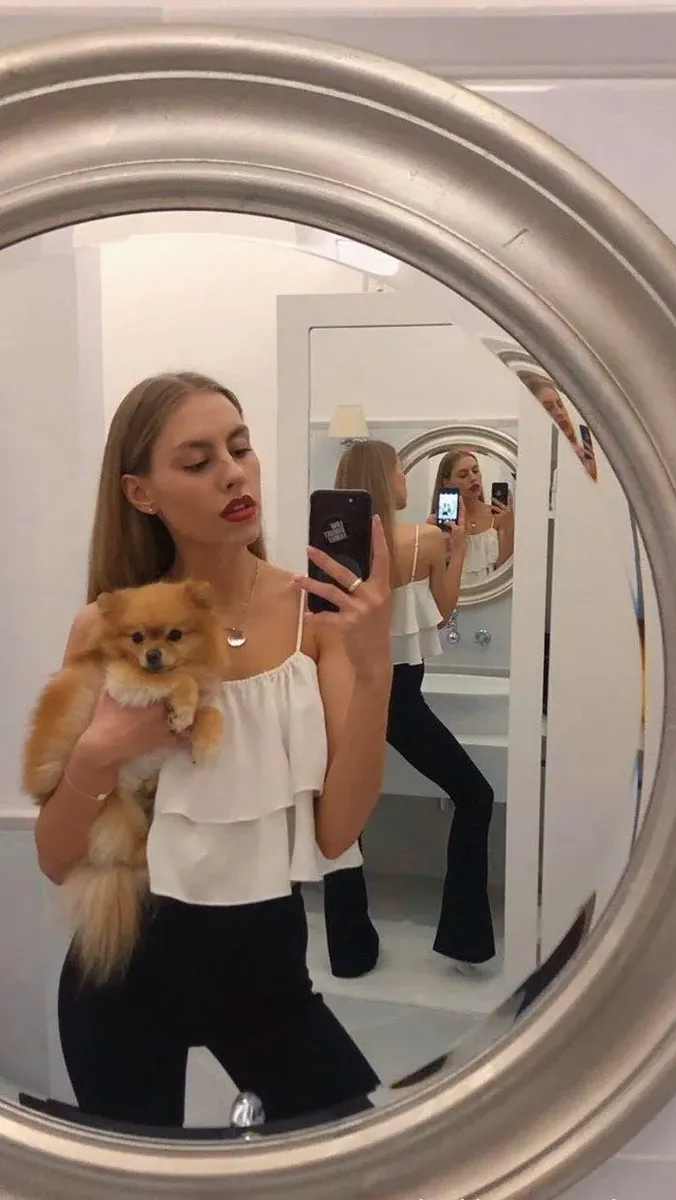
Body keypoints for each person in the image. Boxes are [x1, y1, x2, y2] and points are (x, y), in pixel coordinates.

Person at [31, 371, 394, 1129]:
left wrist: (373, 669)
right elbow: (58, 858)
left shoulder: (315, 617)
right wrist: (100, 754)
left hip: (267, 968)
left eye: (240, 447)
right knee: (139, 1179)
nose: (233, 472)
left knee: (354, 1150)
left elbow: (336, 833)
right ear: (141, 493)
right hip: (123, 964)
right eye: (197, 462)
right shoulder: (108, 627)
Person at [322, 440, 496, 978]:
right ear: (384, 477)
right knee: (475, 795)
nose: (404, 479)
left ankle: (350, 951)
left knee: (345, 817)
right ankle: (465, 938)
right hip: (397, 694)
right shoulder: (422, 539)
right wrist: (455, 547)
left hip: (346, 690)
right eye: (400, 470)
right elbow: (441, 610)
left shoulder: (338, 548)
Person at [429, 448, 514, 584]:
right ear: (446, 482)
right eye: (463, 475)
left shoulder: (497, 517)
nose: (473, 478)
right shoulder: (436, 524)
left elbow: (504, 574)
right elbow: (436, 579)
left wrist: (509, 527)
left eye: (475, 471)